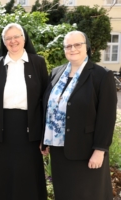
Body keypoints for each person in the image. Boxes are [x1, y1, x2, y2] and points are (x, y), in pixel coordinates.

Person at [42, 30, 117, 200]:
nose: (72, 49)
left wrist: (100, 149)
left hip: (86, 151)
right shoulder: (56, 73)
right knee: (65, 194)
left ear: (87, 47)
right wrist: (44, 139)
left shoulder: (101, 75)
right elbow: (47, 108)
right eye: (68, 46)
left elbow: (107, 116)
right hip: (59, 150)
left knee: (88, 195)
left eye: (77, 45)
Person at [0, 23, 48, 200]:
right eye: (8, 38)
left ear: (24, 39)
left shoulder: (37, 62)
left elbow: (45, 100)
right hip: (2, 129)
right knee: (4, 173)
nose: (13, 41)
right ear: (4, 42)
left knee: (28, 174)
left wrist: (45, 136)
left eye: (17, 37)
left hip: (30, 128)